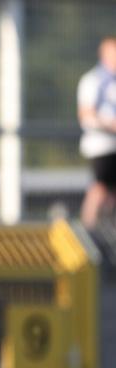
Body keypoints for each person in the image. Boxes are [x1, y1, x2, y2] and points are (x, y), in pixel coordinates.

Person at [78, 37, 116, 228]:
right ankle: (89, 231)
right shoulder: (93, 79)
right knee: (99, 188)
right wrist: (110, 124)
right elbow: (86, 114)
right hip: (101, 145)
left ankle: (108, 233)